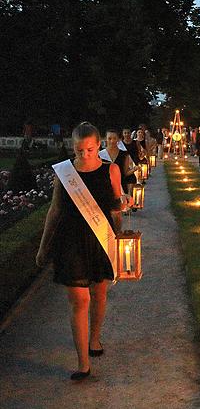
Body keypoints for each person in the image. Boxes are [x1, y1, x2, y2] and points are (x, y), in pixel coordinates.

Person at [35, 122, 128, 380]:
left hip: (101, 240)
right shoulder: (64, 173)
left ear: (98, 145)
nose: (84, 155)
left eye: (89, 149)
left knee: (99, 295)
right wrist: (44, 246)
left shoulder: (111, 170)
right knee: (80, 300)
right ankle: (83, 364)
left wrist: (120, 227)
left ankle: (94, 339)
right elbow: (54, 210)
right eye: (79, 150)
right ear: (72, 147)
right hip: (70, 243)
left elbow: (115, 208)